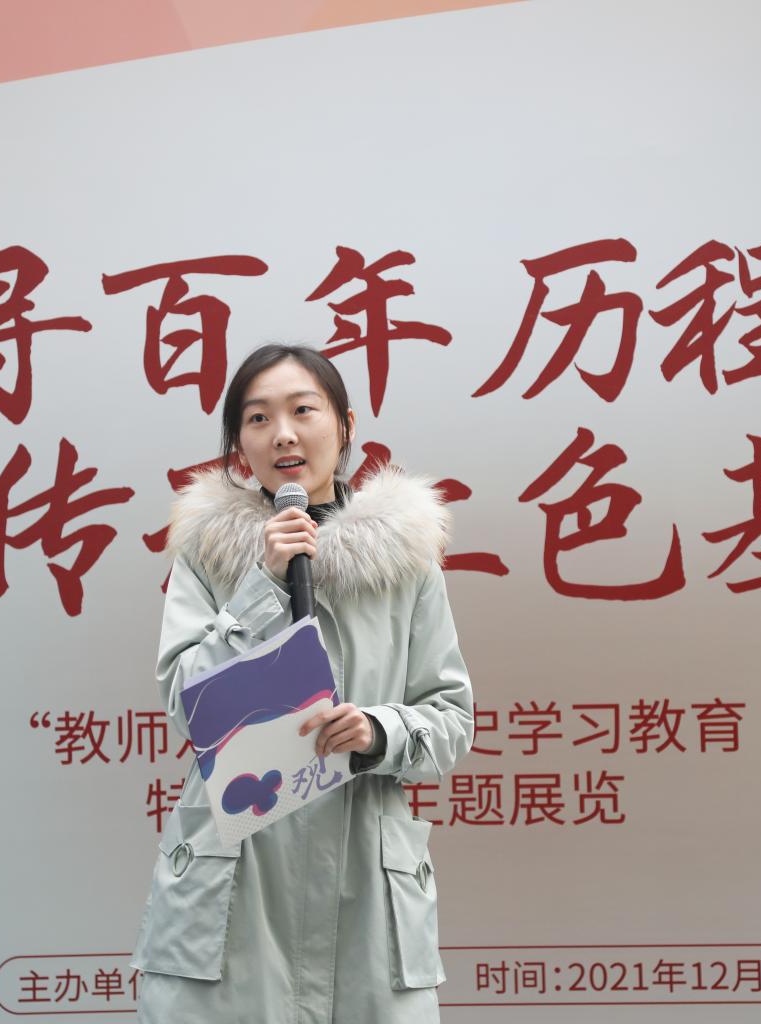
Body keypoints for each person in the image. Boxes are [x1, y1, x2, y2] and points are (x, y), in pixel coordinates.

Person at [128, 343, 475, 1023]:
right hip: (237, 883)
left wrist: (379, 731)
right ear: (239, 445)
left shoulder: (406, 561)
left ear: (345, 426)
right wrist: (262, 583)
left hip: (366, 885)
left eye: (303, 411)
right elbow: (188, 706)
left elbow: (452, 719)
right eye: (258, 418)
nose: (282, 434)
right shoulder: (209, 555)